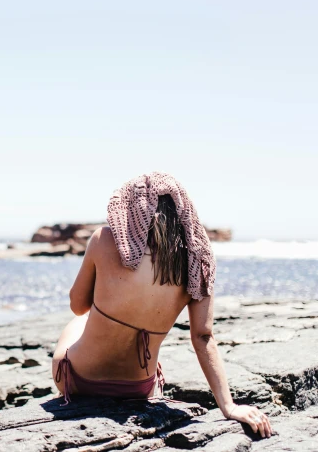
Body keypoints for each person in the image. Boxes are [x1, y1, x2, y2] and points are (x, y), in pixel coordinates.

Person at [52, 173, 272, 439]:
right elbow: (203, 337)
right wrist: (229, 406)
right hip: (139, 388)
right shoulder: (197, 258)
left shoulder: (104, 239)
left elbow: (78, 306)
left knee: (79, 321)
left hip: (77, 380)